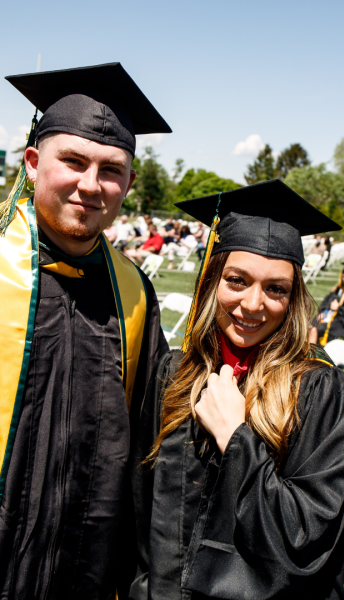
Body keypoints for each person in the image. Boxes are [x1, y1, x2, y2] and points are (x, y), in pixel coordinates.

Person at [130, 180, 344, 600]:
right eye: (237, 280)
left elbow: (309, 540)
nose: (254, 304)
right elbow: (139, 510)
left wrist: (236, 439)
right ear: (211, 282)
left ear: (293, 297)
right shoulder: (174, 373)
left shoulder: (318, 389)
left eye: (276, 288)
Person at [0, 62, 171, 599]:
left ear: (129, 183)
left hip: (86, 567)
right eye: (72, 161)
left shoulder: (134, 292)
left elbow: (150, 435)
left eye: (111, 169)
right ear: (32, 163)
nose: (90, 185)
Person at [309, 262, 344, 345]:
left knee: (319, 328)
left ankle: (314, 351)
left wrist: (338, 308)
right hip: (330, 316)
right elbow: (326, 303)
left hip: (343, 321)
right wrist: (323, 313)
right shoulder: (338, 289)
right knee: (311, 323)